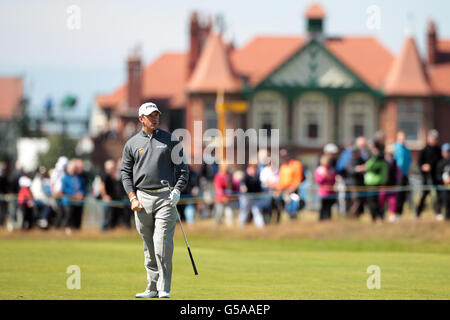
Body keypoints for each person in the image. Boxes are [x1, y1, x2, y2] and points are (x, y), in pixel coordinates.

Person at [120, 102, 189, 299]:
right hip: (141, 198)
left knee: (162, 243)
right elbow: (125, 173)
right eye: (150, 116)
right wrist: (132, 196)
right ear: (141, 119)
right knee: (148, 245)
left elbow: (183, 171)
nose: (155, 118)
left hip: (166, 197)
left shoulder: (171, 140)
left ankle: (163, 288)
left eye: (156, 115)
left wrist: (177, 191)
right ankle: (151, 287)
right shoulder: (132, 144)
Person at [416, 129, 443, 219]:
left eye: (436, 138)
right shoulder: (424, 150)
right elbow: (419, 163)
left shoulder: (439, 150)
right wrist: (424, 167)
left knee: (439, 195)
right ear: (429, 138)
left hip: (437, 177)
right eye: (433, 138)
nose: (434, 140)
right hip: (426, 177)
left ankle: (437, 212)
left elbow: (441, 162)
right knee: (424, 195)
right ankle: (418, 212)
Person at [275, 149, 303, 219]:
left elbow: (298, 179)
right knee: (286, 209)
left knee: (293, 208)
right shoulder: (283, 167)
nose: (284, 158)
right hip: (284, 191)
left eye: (285, 155)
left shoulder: (296, 164)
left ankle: (294, 221)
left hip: (293, 191)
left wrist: (290, 190)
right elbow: (281, 181)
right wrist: (278, 190)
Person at [364, 141, 388, 222]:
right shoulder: (380, 156)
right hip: (378, 181)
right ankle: (378, 217)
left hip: (373, 182)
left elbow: (368, 166)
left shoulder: (376, 157)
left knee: (374, 202)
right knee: (378, 201)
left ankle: (376, 217)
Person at [238, 163, 265, 228]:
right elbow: (242, 183)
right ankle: (240, 226)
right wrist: (243, 187)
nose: (254, 169)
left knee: (257, 212)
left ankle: (261, 227)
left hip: (255, 198)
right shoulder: (246, 175)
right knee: (244, 211)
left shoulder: (257, 175)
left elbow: (259, 186)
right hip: (246, 198)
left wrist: (260, 192)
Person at [379, 145, 401, 223]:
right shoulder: (382, 161)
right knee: (381, 200)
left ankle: (392, 215)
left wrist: (397, 182)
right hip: (383, 185)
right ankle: (381, 215)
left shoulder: (395, 162)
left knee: (393, 201)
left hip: (392, 184)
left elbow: (398, 174)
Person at [393, 131, 412, 218]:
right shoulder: (394, 148)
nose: (403, 140)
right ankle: (394, 212)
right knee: (396, 195)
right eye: (401, 138)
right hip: (396, 176)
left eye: (404, 138)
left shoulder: (407, 150)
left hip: (404, 175)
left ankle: (399, 213)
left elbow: (409, 162)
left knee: (403, 195)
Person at [345, 147, 366, 218]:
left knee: (360, 200)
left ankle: (357, 215)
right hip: (353, 184)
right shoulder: (350, 161)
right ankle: (351, 215)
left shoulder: (361, 159)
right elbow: (350, 170)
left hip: (361, 184)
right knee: (356, 200)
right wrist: (357, 169)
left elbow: (366, 167)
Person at [314, 154, 337, 221]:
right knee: (323, 206)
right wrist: (325, 177)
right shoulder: (319, 170)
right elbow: (318, 180)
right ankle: (322, 219)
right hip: (323, 192)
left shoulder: (332, 169)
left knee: (329, 206)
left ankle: (328, 218)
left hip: (331, 192)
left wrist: (330, 177)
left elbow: (334, 179)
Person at [436, 143, 450, 221]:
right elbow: (437, 175)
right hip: (443, 187)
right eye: (446, 151)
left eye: (448, 151)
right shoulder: (440, 163)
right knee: (445, 202)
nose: (447, 153)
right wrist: (443, 180)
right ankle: (445, 217)